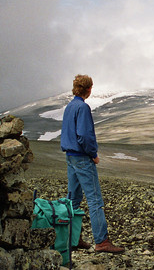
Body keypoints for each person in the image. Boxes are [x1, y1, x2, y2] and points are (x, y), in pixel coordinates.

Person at [60, 74, 124, 253]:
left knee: (73, 200)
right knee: (95, 200)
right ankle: (102, 241)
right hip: (82, 158)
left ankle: (73, 239)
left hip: (70, 157)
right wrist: (93, 154)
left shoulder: (69, 107)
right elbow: (84, 136)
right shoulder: (83, 107)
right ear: (89, 89)